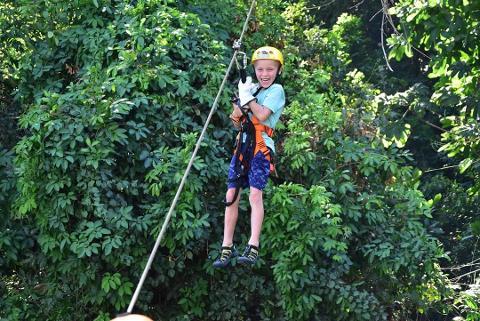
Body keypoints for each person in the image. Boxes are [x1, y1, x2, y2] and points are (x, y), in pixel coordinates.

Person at [213, 46, 286, 268]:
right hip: (243, 146)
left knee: (255, 194)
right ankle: (227, 246)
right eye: (261, 69)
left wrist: (248, 100)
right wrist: (241, 99)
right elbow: (236, 121)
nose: (265, 74)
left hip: (262, 147)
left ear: (278, 71)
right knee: (231, 194)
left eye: (270, 70)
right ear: (255, 70)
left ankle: (253, 245)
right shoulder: (253, 90)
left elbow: (263, 115)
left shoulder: (276, 91)